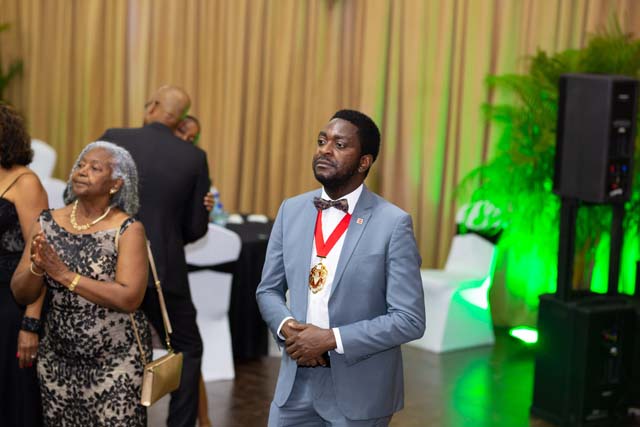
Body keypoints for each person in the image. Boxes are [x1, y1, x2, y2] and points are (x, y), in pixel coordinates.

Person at [256, 109, 426, 426]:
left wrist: (331, 339)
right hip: (295, 385)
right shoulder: (291, 210)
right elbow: (268, 290)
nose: (325, 149)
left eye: (339, 144)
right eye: (322, 141)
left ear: (364, 162)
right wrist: (288, 329)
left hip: (360, 390)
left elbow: (409, 319)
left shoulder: (393, 224)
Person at [11, 141, 152, 426]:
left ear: (115, 184)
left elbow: (129, 298)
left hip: (116, 362)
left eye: (95, 168)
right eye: (80, 165)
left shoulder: (127, 229)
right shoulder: (47, 222)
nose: (82, 171)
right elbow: (21, 293)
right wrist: (37, 267)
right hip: (57, 361)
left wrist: (64, 275)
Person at [100, 85, 211, 427]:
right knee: (187, 348)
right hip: (162, 272)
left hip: (106, 268)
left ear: (153, 107)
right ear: (180, 119)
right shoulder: (194, 157)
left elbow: (77, 194)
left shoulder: (113, 139)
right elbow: (195, 228)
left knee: (110, 346)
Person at [0, 104, 48, 426]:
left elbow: (39, 255)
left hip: (10, 301)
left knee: (12, 395)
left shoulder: (25, 182)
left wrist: (31, 323)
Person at [174, 114, 212, 427]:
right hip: (159, 273)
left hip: (165, 269)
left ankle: (205, 419)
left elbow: (189, 229)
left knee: (188, 350)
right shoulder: (186, 164)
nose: (188, 142)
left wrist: (202, 209)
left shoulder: (190, 166)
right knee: (189, 349)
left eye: (192, 138)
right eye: (184, 134)